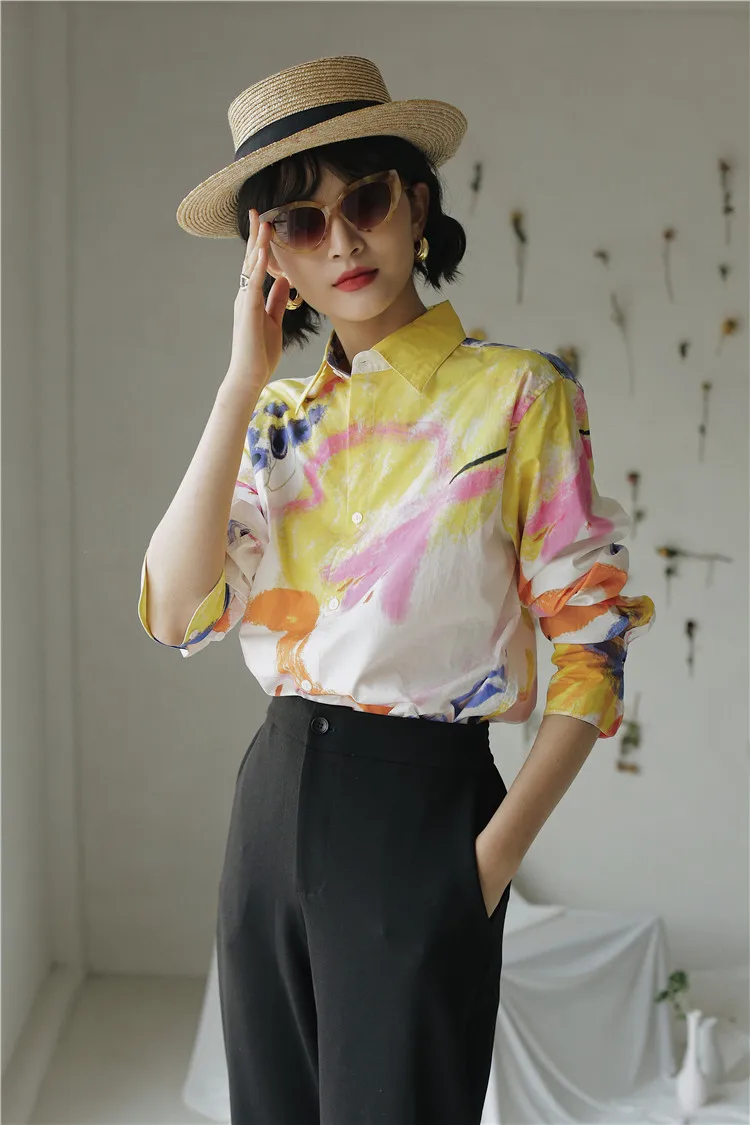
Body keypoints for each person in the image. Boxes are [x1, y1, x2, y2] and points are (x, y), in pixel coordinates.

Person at [138, 55, 655, 1125]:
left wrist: (488, 864)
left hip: (423, 814)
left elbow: (591, 646)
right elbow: (177, 611)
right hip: (271, 806)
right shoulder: (275, 420)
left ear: (415, 206)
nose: (340, 242)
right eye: (300, 222)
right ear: (270, 256)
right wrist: (239, 383)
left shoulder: (519, 396)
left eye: (364, 201)